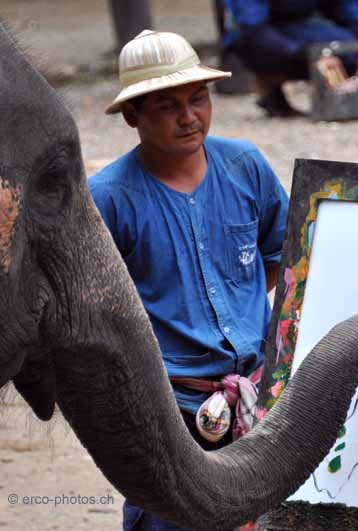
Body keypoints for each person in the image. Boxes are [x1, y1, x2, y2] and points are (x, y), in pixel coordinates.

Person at [89, 29, 289, 530]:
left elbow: (281, 259)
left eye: (198, 98)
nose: (189, 117)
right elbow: (98, 316)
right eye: (167, 106)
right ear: (132, 115)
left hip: (260, 392)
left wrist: (241, 310)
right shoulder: (108, 199)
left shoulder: (246, 166)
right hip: (166, 408)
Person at [220, 0, 358, 116]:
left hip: (298, 25)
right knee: (263, 44)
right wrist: (301, 53)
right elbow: (252, 30)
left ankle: (337, 96)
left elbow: (345, 10)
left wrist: (355, 45)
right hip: (255, 34)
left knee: (347, 49)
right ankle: (270, 86)